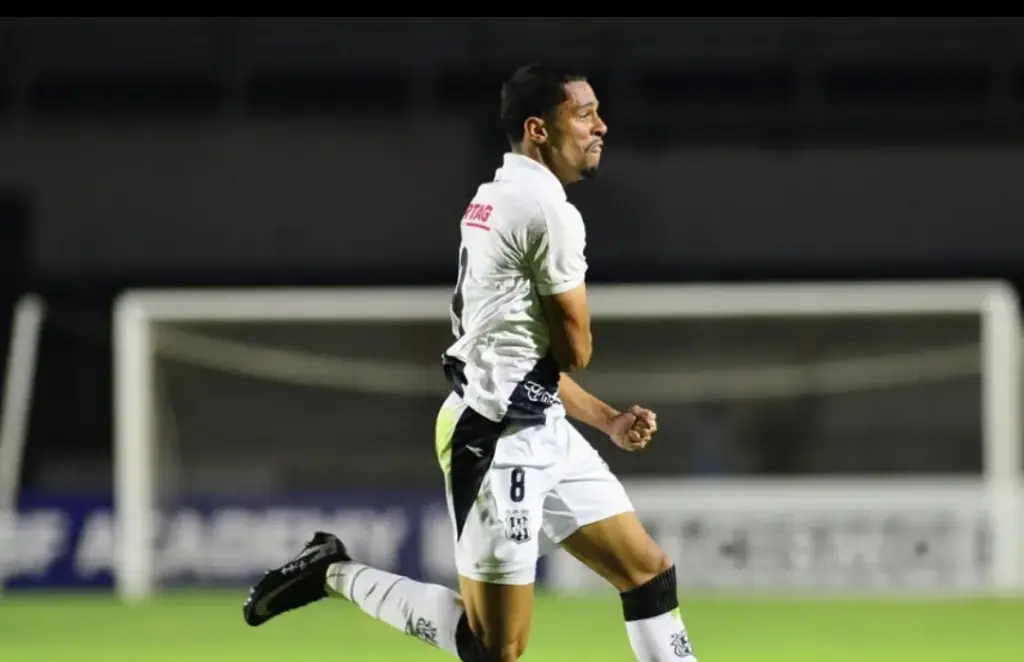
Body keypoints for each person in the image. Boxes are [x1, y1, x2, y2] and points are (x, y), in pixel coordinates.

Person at [242, 62, 697, 662]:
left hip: (537, 421)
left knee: (647, 572)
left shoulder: (493, 196)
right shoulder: (548, 212)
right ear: (538, 129)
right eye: (584, 114)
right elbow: (576, 352)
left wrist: (607, 420)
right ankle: (333, 572)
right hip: (496, 437)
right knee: (493, 648)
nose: (601, 126)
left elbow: (514, 354)